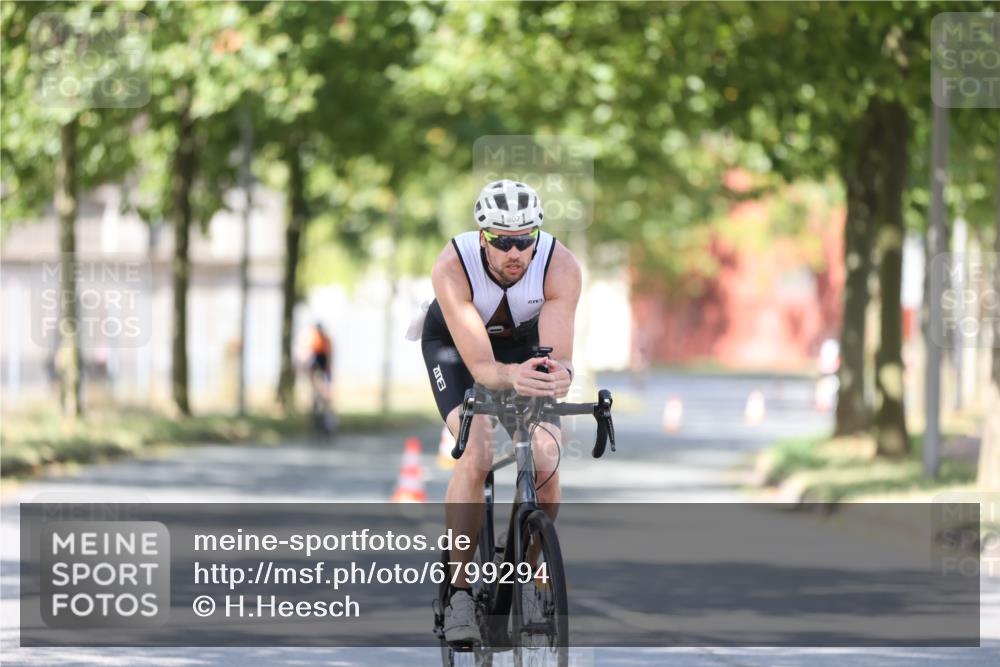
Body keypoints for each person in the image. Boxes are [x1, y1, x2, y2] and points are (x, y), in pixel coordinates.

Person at [420, 179, 581, 645]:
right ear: (482, 236)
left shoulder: (561, 266)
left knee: (548, 456)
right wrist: (511, 377)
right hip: (459, 349)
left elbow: (558, 355)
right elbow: (484, 367)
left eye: (524, 239)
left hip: (524, 345)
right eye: (501, 240)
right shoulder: (453, 266)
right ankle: (460, 593)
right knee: (479, 450)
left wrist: (559, 376)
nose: (514, 251)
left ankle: (520, 571)